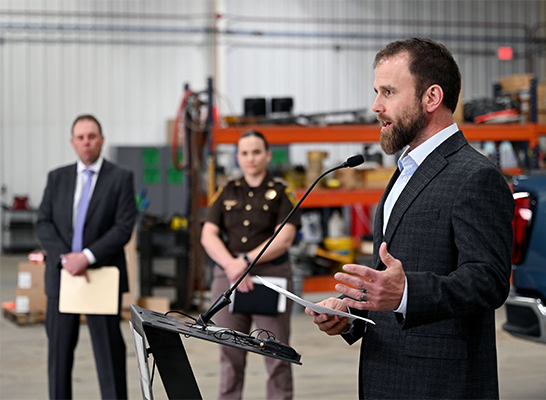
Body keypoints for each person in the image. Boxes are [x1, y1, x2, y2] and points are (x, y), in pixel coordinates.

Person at [306, 38, 514, 400]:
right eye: (376, 91)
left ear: (431, 98)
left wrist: (407, 293)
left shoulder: (476, 176)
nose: (376, 106)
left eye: (388, 92)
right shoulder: (405, 171)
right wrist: (350, 311)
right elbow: (393, 278)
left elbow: (488, 281)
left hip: (440, 384)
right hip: (385, 375)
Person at [36, 114, 137, 400]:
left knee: (109, 354)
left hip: (101, 276)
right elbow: (43, 222)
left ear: (102, 140)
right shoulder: (57, 178)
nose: (86, 143)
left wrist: (87, 256)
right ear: (72, 142)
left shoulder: (120, 178)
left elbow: (123, 228)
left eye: (92, 136)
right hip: (62, 276)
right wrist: (65, 258)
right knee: (58, 356)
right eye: (80, 138)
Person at [201, 130, 300, 400]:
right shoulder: (227, 190)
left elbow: (284, 237)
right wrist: (232, 266)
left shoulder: (281, 191)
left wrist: (245, 262)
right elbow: (207, 234)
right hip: (229, 277)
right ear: (237, 157)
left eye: (256, 152)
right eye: (244, 153)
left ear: (268, 155)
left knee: (276, 352)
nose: (250, 158)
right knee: (229, 354)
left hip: (269, 276)